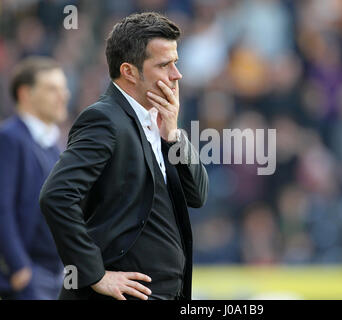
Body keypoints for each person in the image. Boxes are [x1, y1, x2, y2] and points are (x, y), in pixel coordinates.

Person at [39, 12, 208, 300]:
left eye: (175, 63)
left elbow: (197, 195)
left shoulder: (161, 119)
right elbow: (56, 196)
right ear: (129, 71)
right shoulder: (103, 119)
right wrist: (94, 274)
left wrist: (173, 133)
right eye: (164, 65)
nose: (176, 75)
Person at [0, 56, 69, 299]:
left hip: (56, 274)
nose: (63, 96)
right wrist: (19, 267)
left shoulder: (54, 145)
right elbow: (2, 208)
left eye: (63, 88)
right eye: (52, 89)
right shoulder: (9, 139)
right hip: (30, 275)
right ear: (25, 94)